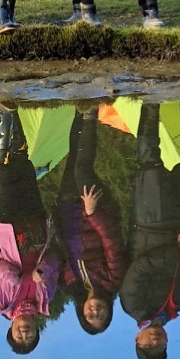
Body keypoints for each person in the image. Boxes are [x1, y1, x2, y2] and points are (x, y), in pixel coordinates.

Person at [121, 104, 180, 359]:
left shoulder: (133, 306)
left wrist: (177, 253)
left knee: (150, 161)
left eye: (149, 344)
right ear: (167, 340)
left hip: (151, 222)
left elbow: (141, 267)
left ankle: (151, 103)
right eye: (160, 344)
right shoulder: (176, 305)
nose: (155, 341)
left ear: (138, 338)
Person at [0, 103, 61, 355]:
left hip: (2, 225)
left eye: (19, 335)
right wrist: (44, 271)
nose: (25, 332)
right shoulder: (46, 298)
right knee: (24, 165)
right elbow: (56, 260)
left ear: (11, 328)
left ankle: (3, 115)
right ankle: (13, 111)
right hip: (33, 222)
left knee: (2, 170)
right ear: (37, 329)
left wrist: (8, 274)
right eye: (30, 335)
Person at [56, 114, 124, 336]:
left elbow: (57, 255)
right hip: (96, 209)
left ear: (82, 311)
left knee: (74, 156)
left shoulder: (69, 284)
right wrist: (92, 212)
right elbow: (111, 242)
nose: (95, 310)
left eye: (90, 315)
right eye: (101, 315)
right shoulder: (113, 281)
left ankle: (79, 110)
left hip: (68, 209)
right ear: (109, 310)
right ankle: (90, 111)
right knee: (82, 169)